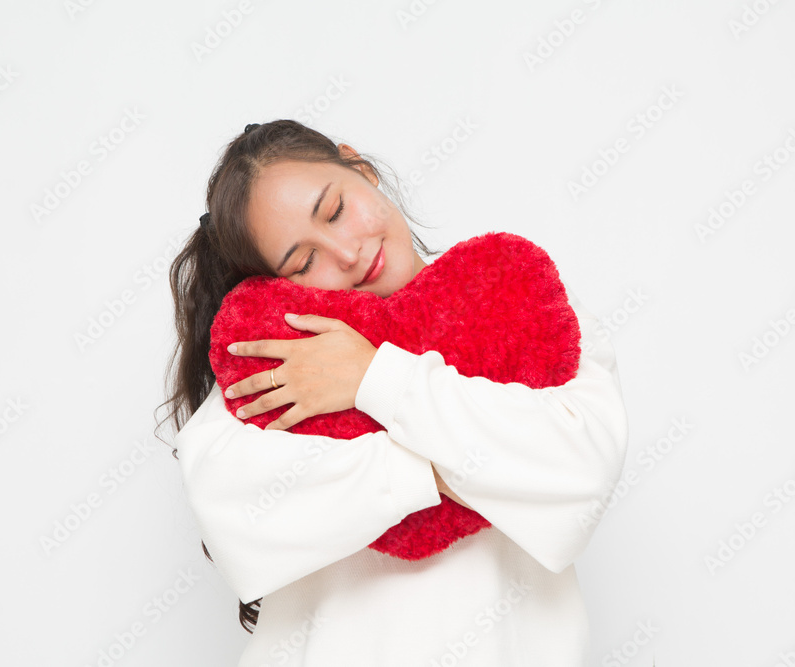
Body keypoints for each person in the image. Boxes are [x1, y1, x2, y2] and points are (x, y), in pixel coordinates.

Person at [161, 119, 629, 666]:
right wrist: (479, 467)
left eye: (335, 210)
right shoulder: (284, 367)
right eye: (303, 261)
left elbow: (582, 471)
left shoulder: (525, 307)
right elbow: (235, 509)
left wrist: (372, 379)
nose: (346, 252)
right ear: (276, 283)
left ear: (360, 168)